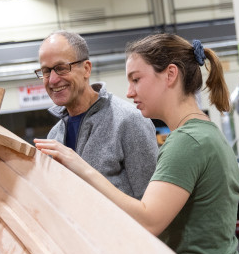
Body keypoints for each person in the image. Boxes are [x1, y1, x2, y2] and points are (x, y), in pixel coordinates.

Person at [35, 33, 239, 254]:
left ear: (170, 75)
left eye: (136, 79)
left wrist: (81, 167)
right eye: (45, 71)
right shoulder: (195, 134)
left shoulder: (186, 141)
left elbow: (149, 220)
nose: (129, 92)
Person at [37, 30, 157, 199]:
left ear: (86, 69)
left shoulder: (128, 121)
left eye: (61, 68)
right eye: (46, 71)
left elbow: (150, 203)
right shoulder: (54, 136)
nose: (52, 80)